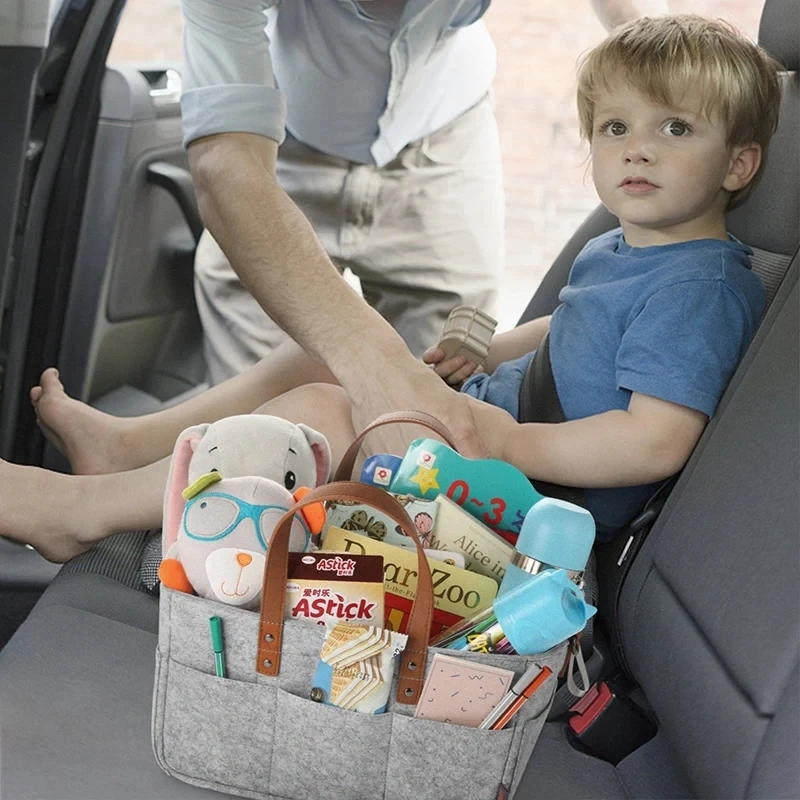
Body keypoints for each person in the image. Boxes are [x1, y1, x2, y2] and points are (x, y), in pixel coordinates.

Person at [2, 14, 781, 562]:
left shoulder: (699, 288)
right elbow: (574, 328)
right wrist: (487, 353)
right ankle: (126, 450)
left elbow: (656, 439)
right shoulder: (629, 249)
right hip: (502, 455)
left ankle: (78, 514)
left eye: (674, 129)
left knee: (318, 414)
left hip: (529, 514)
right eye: (617, 128)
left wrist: (507, 439)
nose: (638, 149)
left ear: (739, 165)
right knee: (320, 362)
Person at [182, 0, 504, 386]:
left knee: (447, 389)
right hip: (283, 150)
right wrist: (367, 359)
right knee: (256, 420)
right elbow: (228, 164)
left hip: (442, 140)